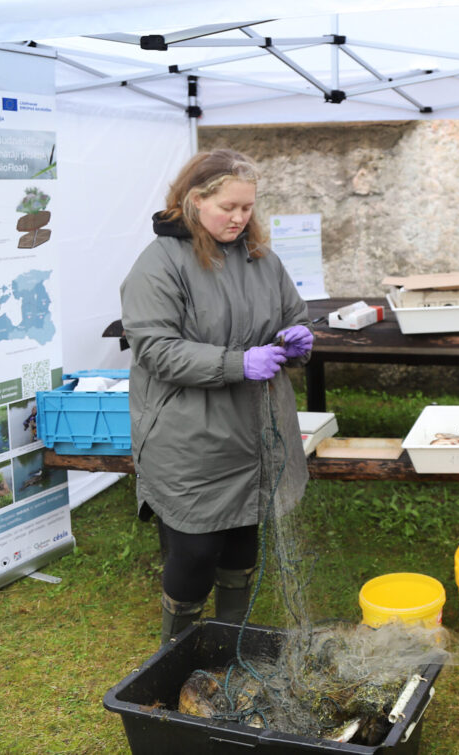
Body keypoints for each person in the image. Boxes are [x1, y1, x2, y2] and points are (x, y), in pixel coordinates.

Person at [120, 149, 314, 645]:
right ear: (193, 200)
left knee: (244, 539)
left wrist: (297, 337)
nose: (239, 218)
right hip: (191, 435)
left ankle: (230, 643)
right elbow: (157, 349)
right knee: (195, 552)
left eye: (247, 208)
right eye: (228, 207)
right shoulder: (159, 264)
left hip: (256, 429)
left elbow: (294, 312)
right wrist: (237, 363)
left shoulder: (261, 259)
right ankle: (177, 649)